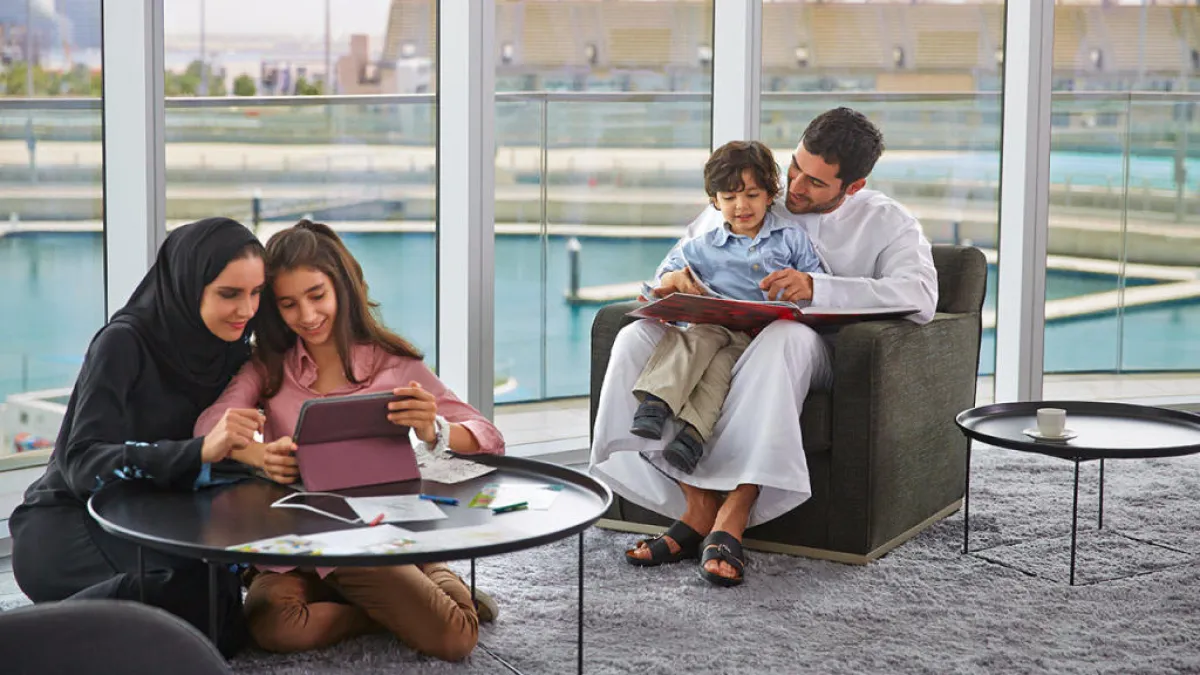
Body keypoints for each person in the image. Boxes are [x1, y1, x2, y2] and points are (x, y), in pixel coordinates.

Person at [590, 107, 939, 587]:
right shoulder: (754, 193)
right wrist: (671, 282)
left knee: (783, 339)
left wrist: (817, 288)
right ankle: (697, 507)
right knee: (634, 338)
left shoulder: (888, 222)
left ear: (853, 186)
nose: (795, 187)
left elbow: (920, 295)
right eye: (795, 167)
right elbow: (680, 263)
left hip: (817, 349)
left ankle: (735, 512)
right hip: (722, 334)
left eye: (815, 182)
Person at [195, 220, 505, 662]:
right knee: (270, 624)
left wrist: (433, 428)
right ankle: (392, 605)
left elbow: (489, 437)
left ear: (343, 287)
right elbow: (207, 426)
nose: (306, 316)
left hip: (369, 540)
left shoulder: (394, 365)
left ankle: (428, 571)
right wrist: (260, 455)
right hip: (297, 542)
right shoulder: (267, 366)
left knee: (454, 636)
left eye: (317, 295)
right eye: (288, 304)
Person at [9, 217, 268, 657]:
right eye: (229, 294)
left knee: (221, 620)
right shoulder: (123, 343)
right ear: (188, 285)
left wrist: (260, 457)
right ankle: (24, 643)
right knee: (189, 611)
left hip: (153, 526)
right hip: (69, 525)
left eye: (256, 293)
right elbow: (82, 465)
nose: (246, 310)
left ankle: (73, 625)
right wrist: (198, 451)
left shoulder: (231, 351)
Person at [630, 140, 823, 477]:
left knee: (721, 370)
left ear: (769, 194)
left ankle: (692, 438)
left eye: (751, 195)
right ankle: (656, 404)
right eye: (729, 197)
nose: (741, 206)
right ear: (715, 201)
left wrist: (802, 286)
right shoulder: (703, 247)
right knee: (697, 341)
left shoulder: (790, 238)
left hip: (757, 338)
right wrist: (671, 281)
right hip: (712, 324)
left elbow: (819, 283)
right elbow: (661, 281)